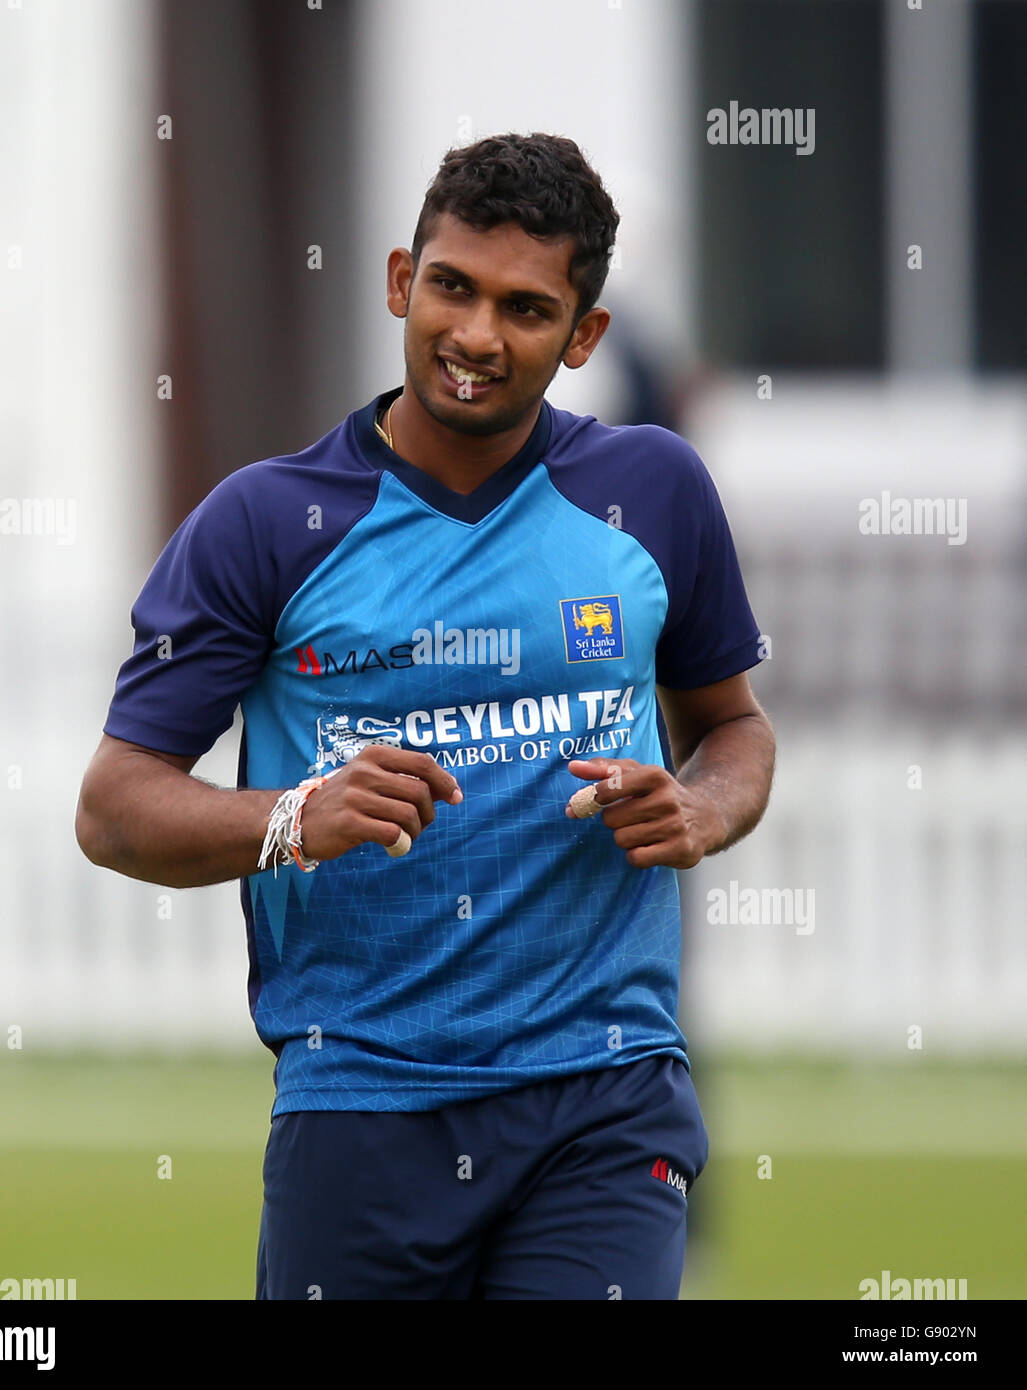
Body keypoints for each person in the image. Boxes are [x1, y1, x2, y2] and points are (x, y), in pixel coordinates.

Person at [75, 132, 775, 1300]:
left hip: (603, 1090)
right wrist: (297, 813)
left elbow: (734, 727)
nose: (475, 335)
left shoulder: (653, 492)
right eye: (451, 287)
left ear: (584, 335)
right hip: (360, 1097)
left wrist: (701, 808)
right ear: (401, 279)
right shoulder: (265, 522)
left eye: (525, 306)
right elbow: (113, 808)